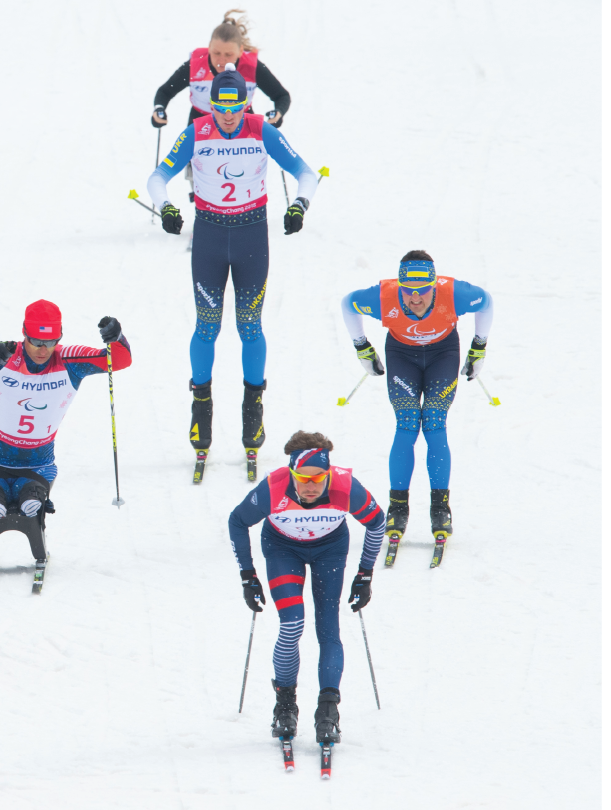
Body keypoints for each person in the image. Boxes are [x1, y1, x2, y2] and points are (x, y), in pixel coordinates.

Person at [146, 69, 320, 481]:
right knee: (206, 328)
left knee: (249, 326)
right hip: (208, 236)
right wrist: (167, 208)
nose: (227, 116)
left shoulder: (261, 130)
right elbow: (158, 177)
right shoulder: (198, 130)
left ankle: (252, 410)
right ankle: (201, 407)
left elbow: (307, 173)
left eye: (235, 107)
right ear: (210, 105)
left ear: (246, 103)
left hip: (250, 237)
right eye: (219, 107)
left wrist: (299, 206)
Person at [0, 301, 130, 582]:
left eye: (51, 342)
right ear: (24, 333)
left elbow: (118, 360)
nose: (44, 350)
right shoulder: (5, 352)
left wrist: (116, 338)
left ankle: (30, 500)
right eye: (36, 341)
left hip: (39, 465)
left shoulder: (70, 359)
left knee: (31, 497)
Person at [229, 432, 385, 748]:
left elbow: (377, 522)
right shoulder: (274, 487)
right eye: (303, 479)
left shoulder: (345, 487)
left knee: (328, 627)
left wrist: (365, 573)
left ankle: (328, 710)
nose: (311, 487)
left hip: (330, 548)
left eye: (319, 480)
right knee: (292, 624)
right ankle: (285, 705)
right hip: (283, 549)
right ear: (292, 474)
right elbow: (237, 521)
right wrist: (248, 575)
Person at [339, 251, 493, 562]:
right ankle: (398, 507)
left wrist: (479, 346)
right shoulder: (383, 297)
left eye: (423, 290)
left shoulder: (455, 293)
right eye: (408, 289)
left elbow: (486, 301)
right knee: (407, 425)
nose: (415, 297)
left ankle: (440, 507)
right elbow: (347, 303)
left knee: (434, 424)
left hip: (442, 354)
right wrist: (362, 347)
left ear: (435, 286)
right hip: (402, 356)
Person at [150, 9, 293, 129]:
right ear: (209, 46)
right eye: (216, 53)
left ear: (240, 51)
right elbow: (165, 91)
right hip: (202, 120)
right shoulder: (195, 65)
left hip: (240, 121)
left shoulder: (252, 67)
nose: (222, 60)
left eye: (229, 54)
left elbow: (281, 96)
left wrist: (278, 113)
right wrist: (159, 109)